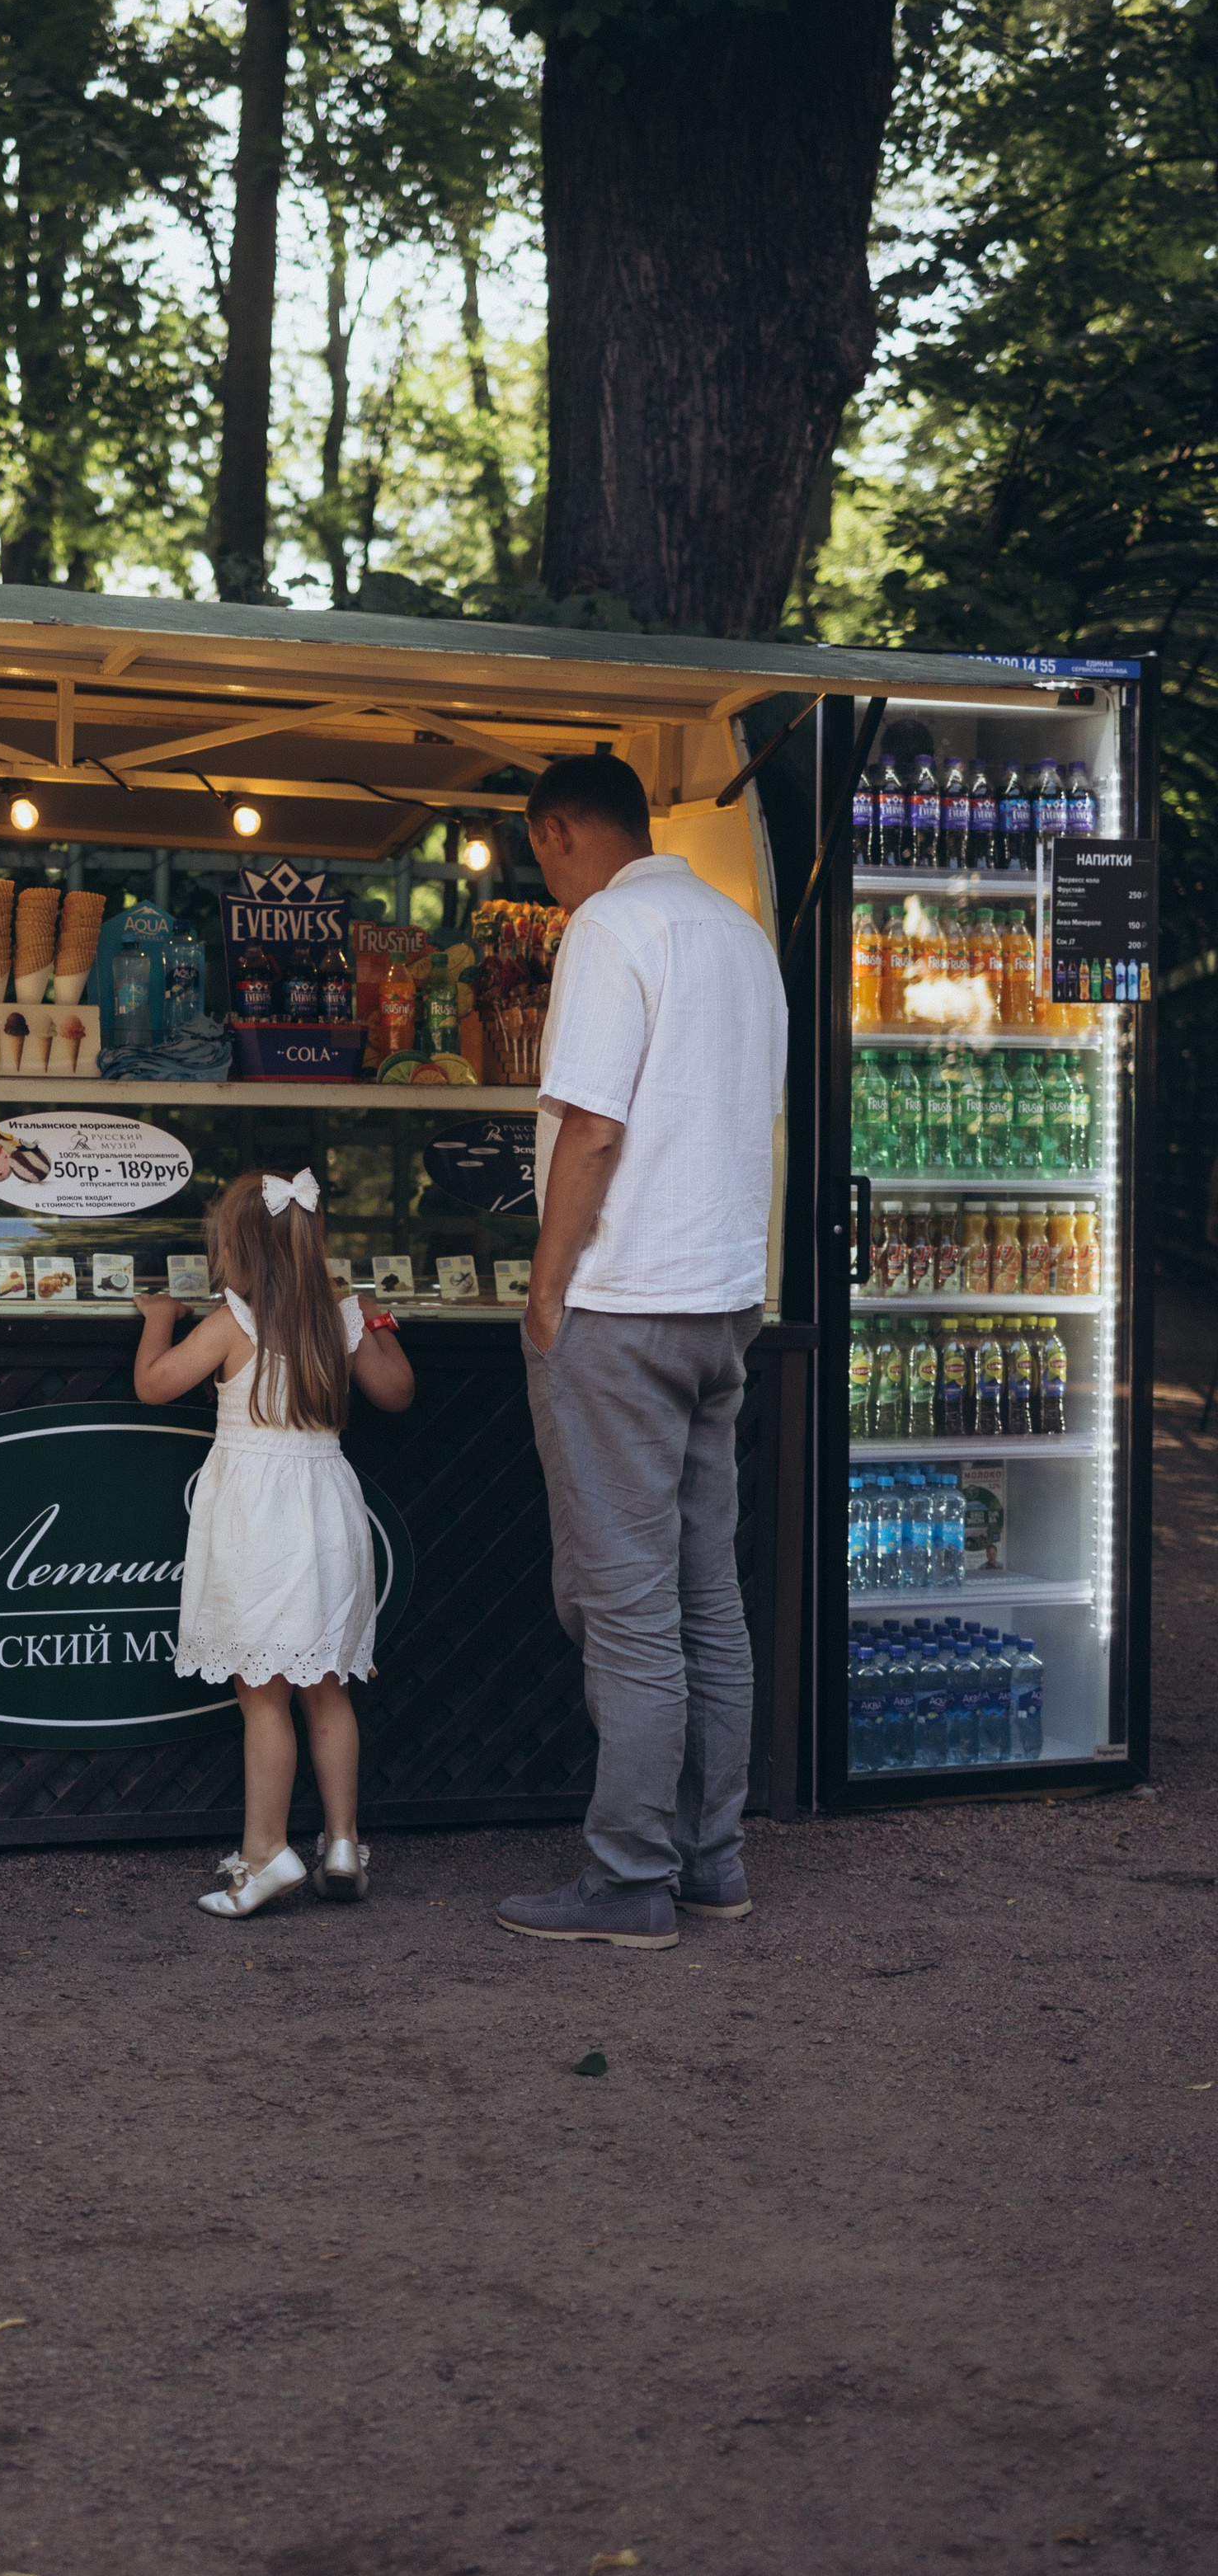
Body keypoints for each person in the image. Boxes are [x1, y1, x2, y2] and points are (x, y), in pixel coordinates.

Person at [494, 751, 788, 1954]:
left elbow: (593, 1128)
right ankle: (710, 1861)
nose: (545, 880)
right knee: (705, 1598)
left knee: (623, 1607)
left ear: (558, 831)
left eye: (539, 855)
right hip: (722, 1300)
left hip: (621, 1302)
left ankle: (628, 1878)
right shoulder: (742, 936)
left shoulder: (609, 930)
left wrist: (545, 1290)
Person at [134, 1168, 414, 1918]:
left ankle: (265, 1855)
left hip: (257, 1520)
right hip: (329, 1512)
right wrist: (377, 1322)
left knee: (263, 1698)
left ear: (238, 1248)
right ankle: (343, 1842)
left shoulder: (231, 1322)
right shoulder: (339, 1320)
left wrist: (158, 1317)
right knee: (328, 1688)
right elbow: (397, 1393)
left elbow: (155, 1385)